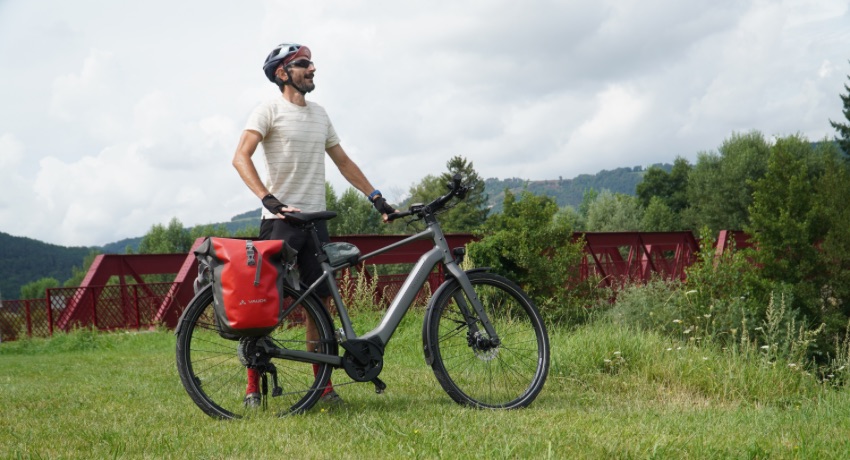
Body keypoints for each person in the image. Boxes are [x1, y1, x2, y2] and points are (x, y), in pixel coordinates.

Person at [232, 42, 395, 406]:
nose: (312, 68)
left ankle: (322, 386)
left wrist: (375, 197)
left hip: (315, 222)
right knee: (264, 302)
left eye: (311, 63)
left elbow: (343, 161)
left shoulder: (320, 114)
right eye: (303, 63)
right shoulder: (267, 110)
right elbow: (240, 157)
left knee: (319, 306)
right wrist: (268, 199)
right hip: (280, 221)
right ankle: (252, 385)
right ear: (282, 73)